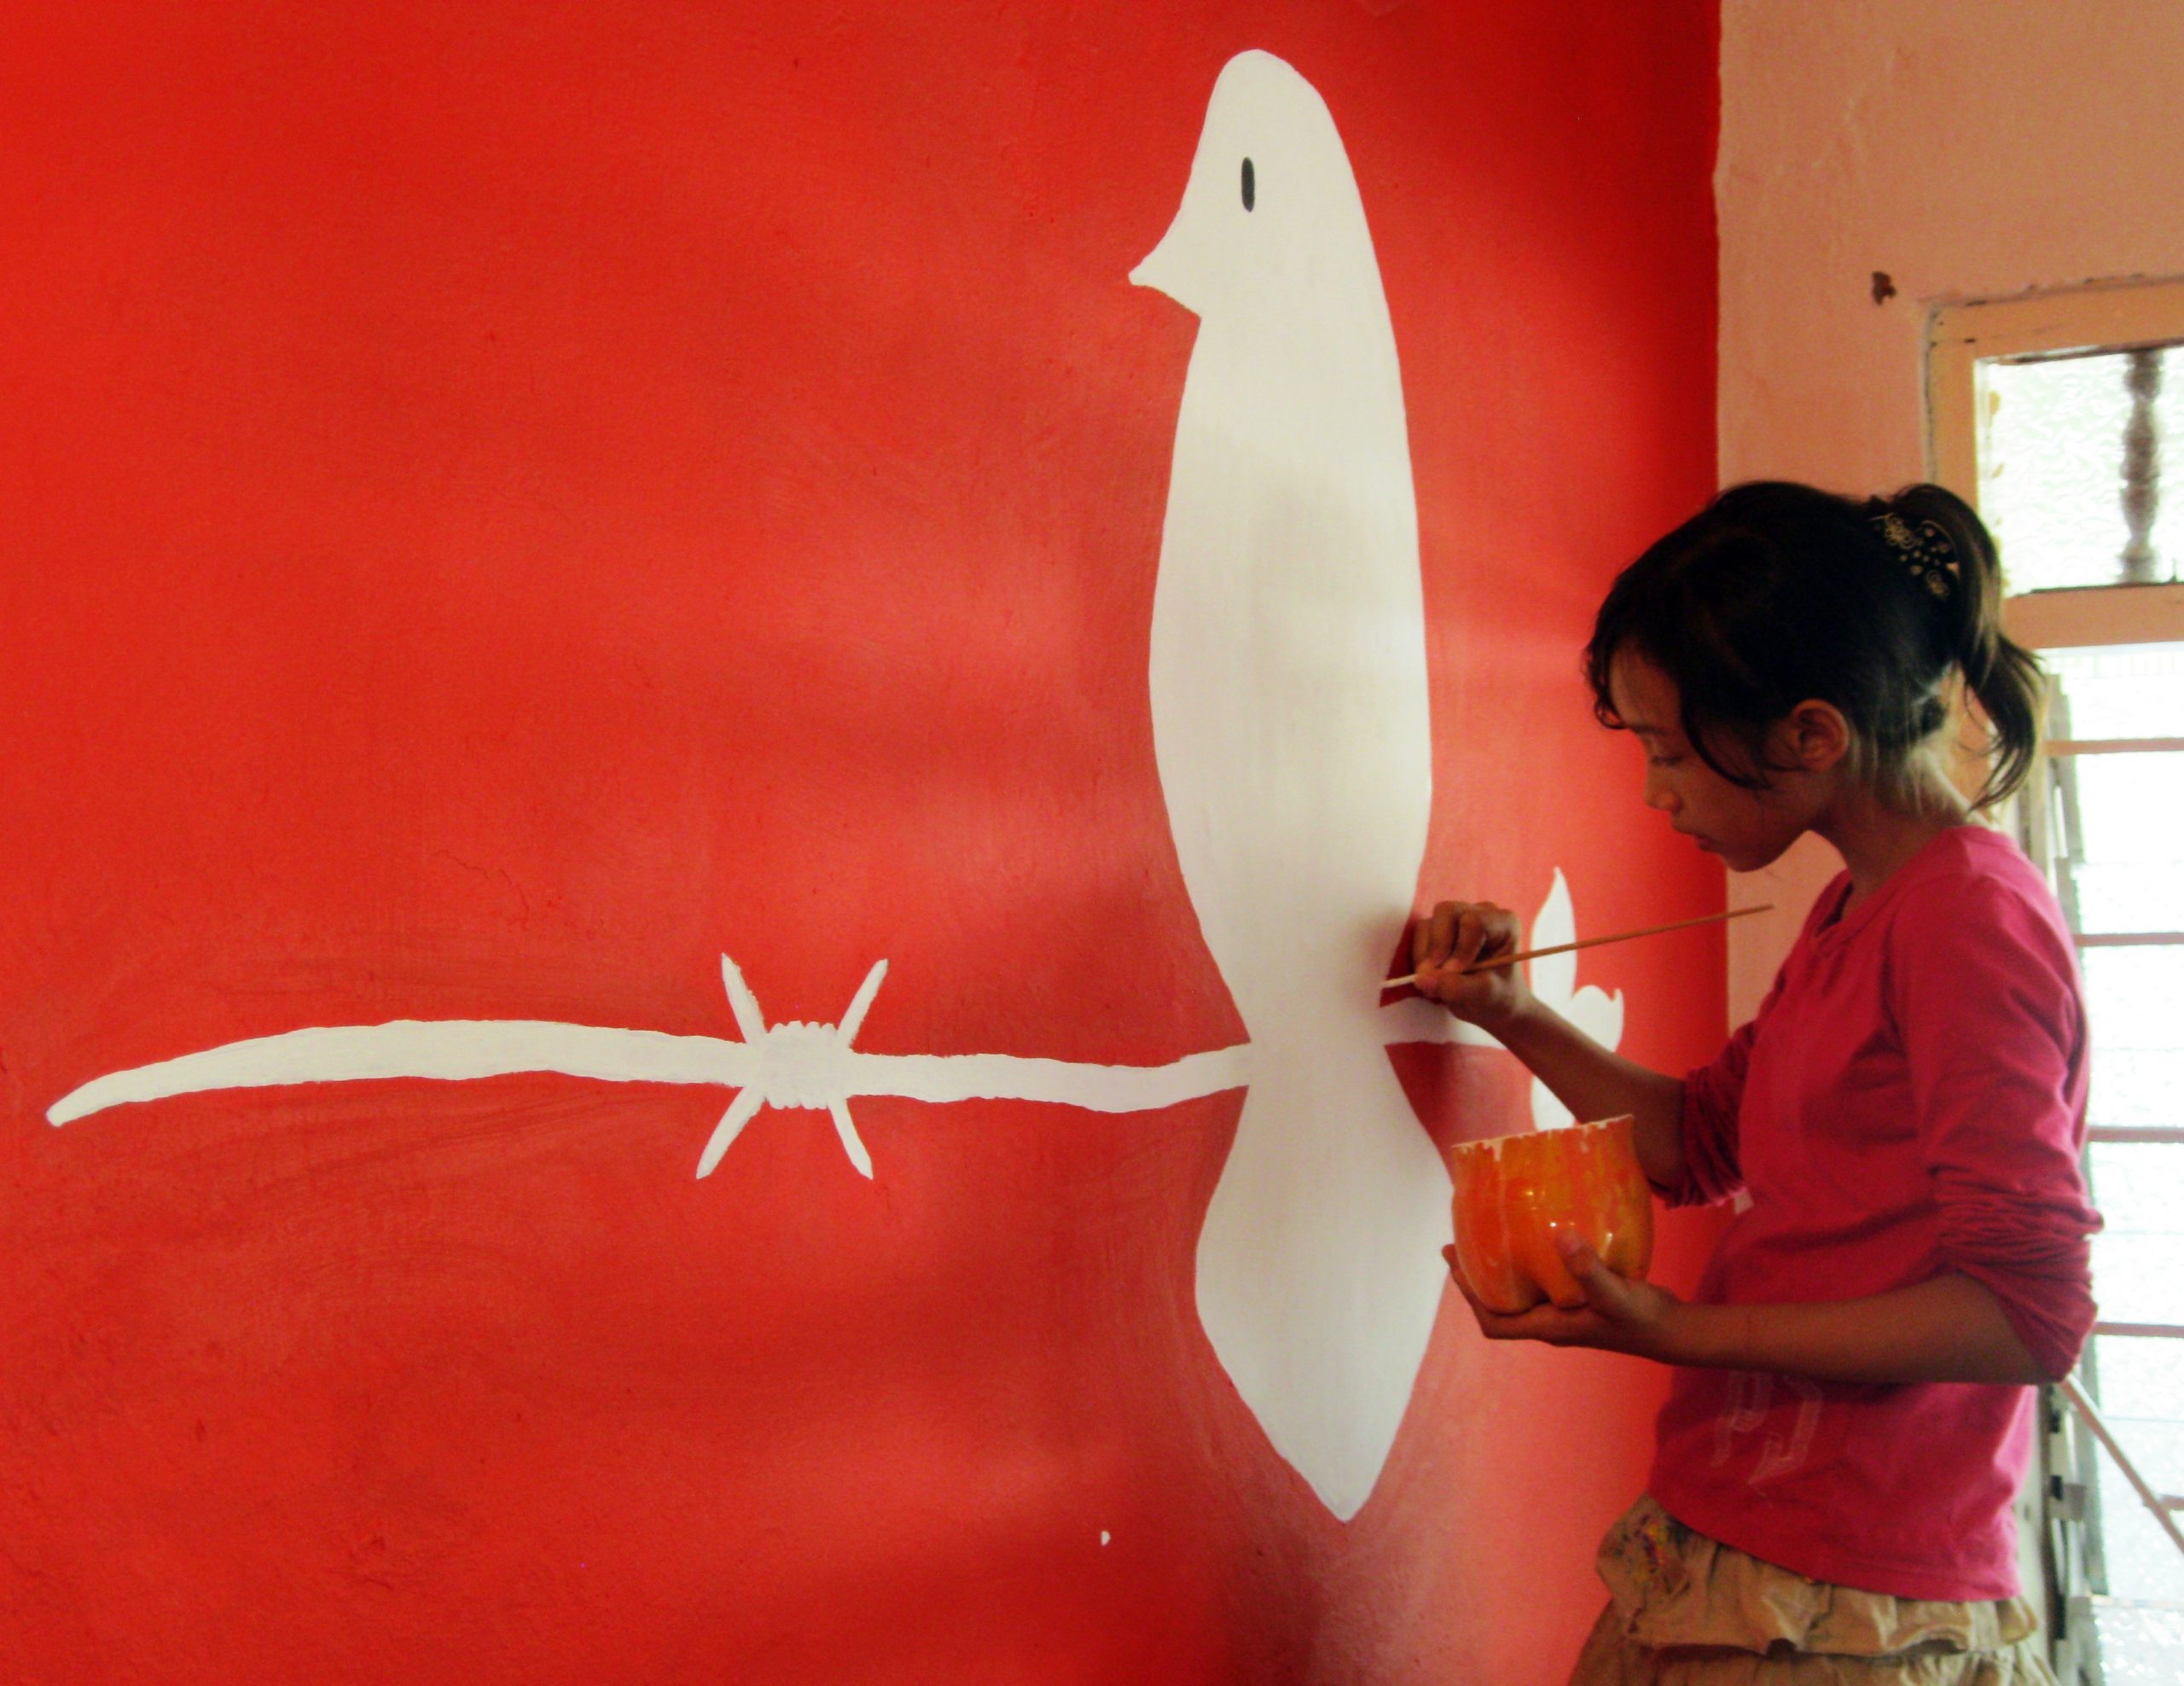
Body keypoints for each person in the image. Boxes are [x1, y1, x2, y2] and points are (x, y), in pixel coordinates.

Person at [1412, 482, 2101, 1684]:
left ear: (1811, 735)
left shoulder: (1965, 922)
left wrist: (1683, 1331)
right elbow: (1702, 1142)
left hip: (1850, 1597)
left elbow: (2028, 1316)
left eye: (1670, 752)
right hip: (1736, 1548)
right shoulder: (1861, 905)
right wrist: (1509, 1011)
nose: (1653, 793)